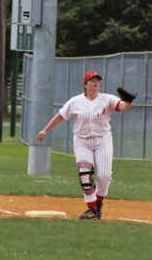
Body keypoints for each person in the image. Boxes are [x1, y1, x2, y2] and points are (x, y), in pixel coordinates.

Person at [36, 70, 133, 220]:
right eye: (92, 80)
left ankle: (99, 202)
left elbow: (123, 106)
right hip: (82, 141)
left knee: (104, 176)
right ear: (85, 84)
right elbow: (60, 116)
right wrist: (45, 130)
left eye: (97, 81)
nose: (95, 83)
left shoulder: (107, 99)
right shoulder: (75, 101)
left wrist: (129, 102)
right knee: (84, 174)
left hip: (103, 140)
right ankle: (92, 208)